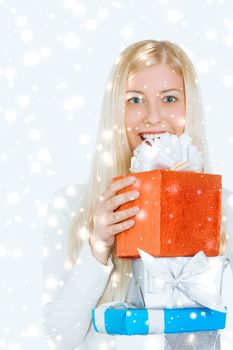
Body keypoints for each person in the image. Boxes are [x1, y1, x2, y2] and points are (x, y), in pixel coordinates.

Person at [42, 40, 233, 350]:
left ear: (189, 107)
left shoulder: (222, 205)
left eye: (169, 98)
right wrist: (98, 246)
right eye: (135, 100)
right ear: (115, 109)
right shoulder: (74, 206)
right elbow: (61, 336)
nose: (152, 116)